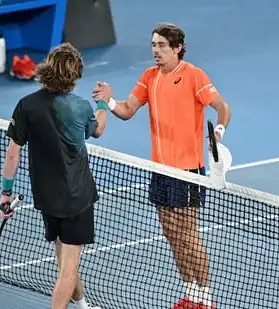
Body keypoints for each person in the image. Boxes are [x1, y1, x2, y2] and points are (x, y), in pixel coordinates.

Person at [92, 23, 231, 309]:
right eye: (153, 45)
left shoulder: (194, 76)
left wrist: (218, 133)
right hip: (160, 170)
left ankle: (206, 299)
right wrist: (109, 101)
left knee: (188, 234)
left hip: (188, 170)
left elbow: (223, 108)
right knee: (171, 233)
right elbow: (128, 110)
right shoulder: (149, 77)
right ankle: (190, 294)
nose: (156, 50)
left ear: (177, 48)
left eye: (162, 46)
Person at [0, 43, 107, 309]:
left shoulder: (25, 106)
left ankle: (83, 306)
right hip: (76, 198)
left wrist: (6, 193)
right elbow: (99, 129)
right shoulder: (80, 107)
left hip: (46, 197)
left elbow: (12, 154)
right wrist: (104, 100)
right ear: (74, 75)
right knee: (67, 271)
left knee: (64, 260)